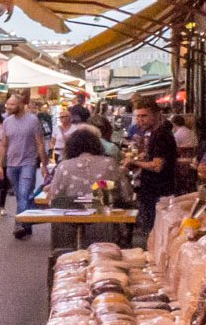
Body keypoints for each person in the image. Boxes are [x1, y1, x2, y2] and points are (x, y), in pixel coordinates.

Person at [0, 94, 48, 239]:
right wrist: (0, 165)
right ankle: (27, 224)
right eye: (7, 104)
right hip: (11, 164)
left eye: (12, 105)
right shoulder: (7, 121)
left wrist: (44, 164)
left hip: (28, 162)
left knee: (24, 192)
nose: (8, 107)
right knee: (22, 196)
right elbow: (3, 143)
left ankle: (19, 224)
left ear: (20, 104)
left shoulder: (32, 120)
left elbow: (39, 143)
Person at [46, 127, 133, 205]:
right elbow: (126, 195)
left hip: (70, 219)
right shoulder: (109, 163)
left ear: (70, 147)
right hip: (104, 218)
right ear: (97, 145)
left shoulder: (63, 166)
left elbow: (53, 199)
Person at [130, 98, 179, 236]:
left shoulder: (161, 135)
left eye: (144, 116)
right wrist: (144, 156)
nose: (140, 120)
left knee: (154, 233)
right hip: (153, 190)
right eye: (138, 116)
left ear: (157, 115)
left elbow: (157, 166)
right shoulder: (156, 134)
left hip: (158, 192)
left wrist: (134, 163)